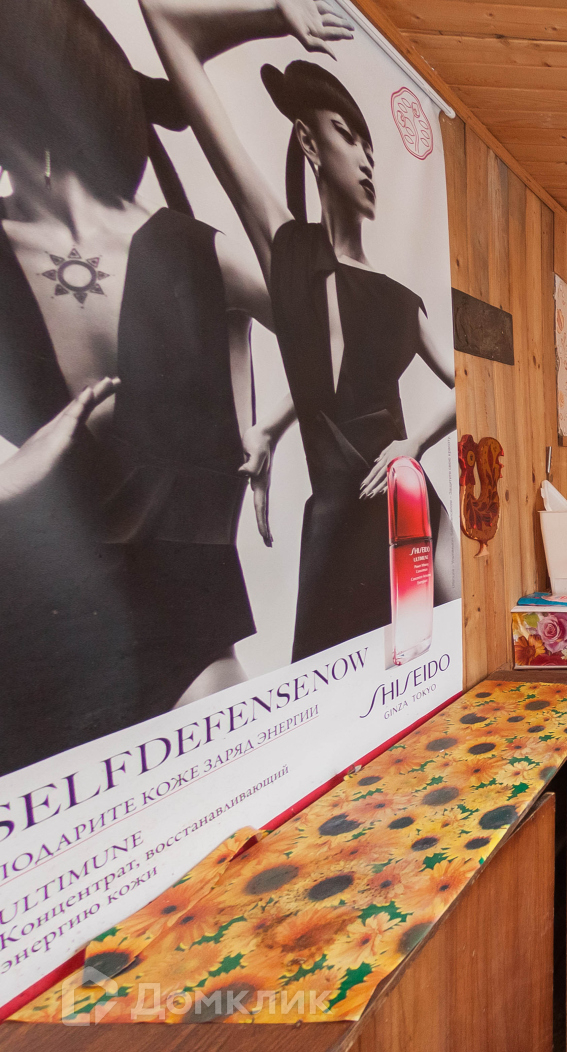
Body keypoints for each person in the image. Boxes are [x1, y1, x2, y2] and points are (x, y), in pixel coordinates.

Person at [0, 0, 276, 775]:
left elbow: (331, 328)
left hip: (187, 646)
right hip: (33, 648)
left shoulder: (190, 250)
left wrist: (253, 414)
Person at [141, 0, 459, 662]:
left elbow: (471, 385)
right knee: (329, 690)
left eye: (371, 147)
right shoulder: (284, 250)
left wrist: (412, 443)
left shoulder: (401, 301)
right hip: (334, 527)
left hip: (409, 517)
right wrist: (273, 15)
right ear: (309, 144)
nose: (367, 159)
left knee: (436, 674)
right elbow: (166, 23)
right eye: (348, 136)